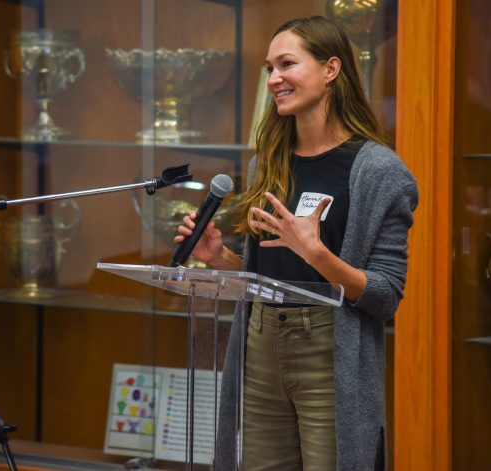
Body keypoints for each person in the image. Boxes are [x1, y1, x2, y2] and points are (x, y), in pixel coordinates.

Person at [173, 15, 418, 470]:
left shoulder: (379, 172)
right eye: (269, 68)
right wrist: (218, 258)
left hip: (328, 348)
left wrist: (317, 253)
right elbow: (269, 273)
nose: (274, 79)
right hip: (260, 339)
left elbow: (385, 296)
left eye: (287, 64)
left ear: (331, 69)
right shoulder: (271, 158)